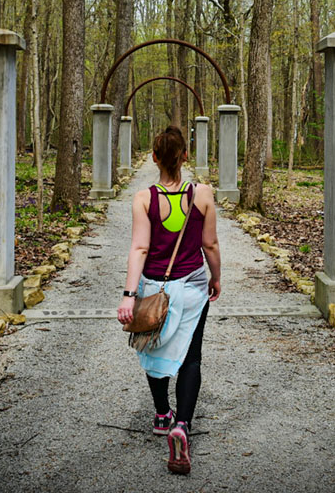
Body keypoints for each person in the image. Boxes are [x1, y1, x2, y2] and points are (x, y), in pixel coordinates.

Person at [117, 125, 221, 475]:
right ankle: (183, 426)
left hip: (155, 289)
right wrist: (216, 277)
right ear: (186, 157)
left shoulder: (144, 198)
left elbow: (140, 248)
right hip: (192, 287)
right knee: (191, 358)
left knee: (154, 348)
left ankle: (163, 415)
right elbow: (210, 245)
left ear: (154, 157)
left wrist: (129, 296)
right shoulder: (203, 194)